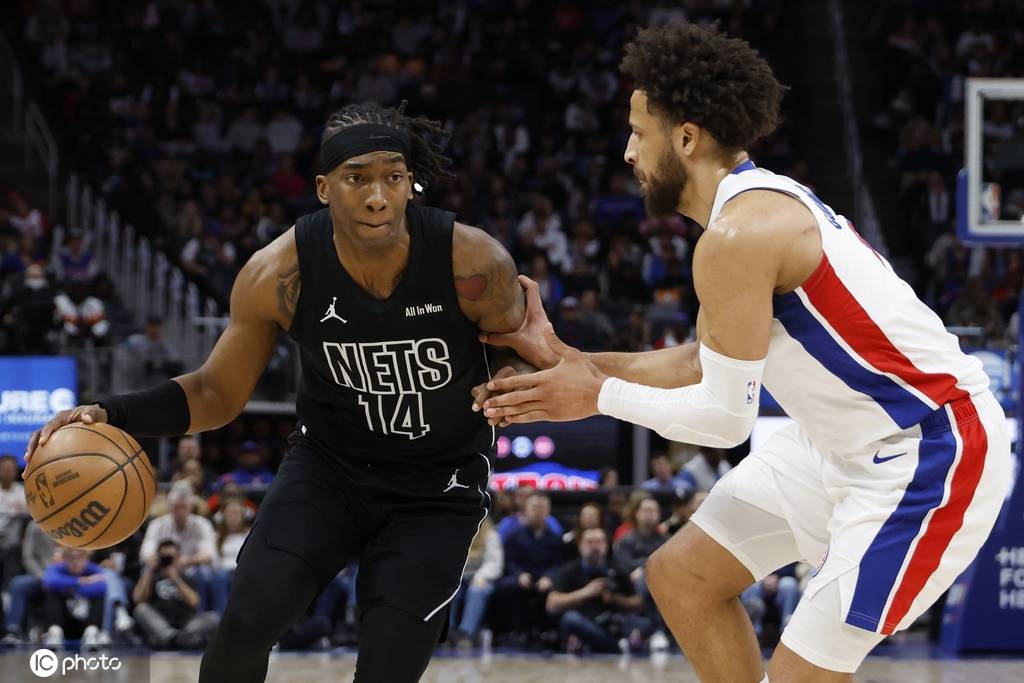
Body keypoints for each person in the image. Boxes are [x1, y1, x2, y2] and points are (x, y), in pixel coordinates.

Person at [477, 22, 1011, 682]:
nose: (627, 151)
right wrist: (572, 359)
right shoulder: (742, 214)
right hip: (836, 445)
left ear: (686, 138)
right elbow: (703, 362)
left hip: (931, 452)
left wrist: (597, 395)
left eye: (638, 132)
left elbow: (726, 420)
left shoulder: (740, 234)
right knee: (682, 577)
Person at [27, 101, 528, 683]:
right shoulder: (277, 274)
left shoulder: (474, 261)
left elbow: (523, 350)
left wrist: (510, 379)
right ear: (323, 188)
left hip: (439, 483)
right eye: (356, 178)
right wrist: (110, 413)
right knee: (246, 620)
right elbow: (215, 393)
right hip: (331, 469)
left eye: (393, 177)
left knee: (387, 667)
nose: (377, 197)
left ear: (410, 182)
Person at [546, 527, 646, 654]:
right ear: (580, 546)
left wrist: (615, 599)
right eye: (590, 542)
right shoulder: (570, 570)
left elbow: (638, 603)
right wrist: (585, 592)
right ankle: (618, 646)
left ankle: (614, 644)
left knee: (645, 622)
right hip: (585, 622)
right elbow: (551, 604)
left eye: (599, 542)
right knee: (570, 619)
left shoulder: (616, 569)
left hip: (613, 623)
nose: (595, 547)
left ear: (606, 545)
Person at [132, 540, 219, 649]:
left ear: (178, 558)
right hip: (161, 622)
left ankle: (173, 639)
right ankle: (176, 638)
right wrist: (148, 571)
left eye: (171, 558)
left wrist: (176, 579)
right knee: (140, 609)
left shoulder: (186, 577)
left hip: (186, 623)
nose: (168, 561)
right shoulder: (153, 577)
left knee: (213, 617)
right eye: (164, 558)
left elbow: (194, 602)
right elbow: (138, 599)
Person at [448, 516, 503, 647]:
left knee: (476, 591)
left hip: (482, 578)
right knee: (449, 591)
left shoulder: (491, 535)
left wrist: (481, 576)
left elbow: (495, 563)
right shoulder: (455, 533)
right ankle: (447, 633)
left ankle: (466, 633)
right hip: (459, 578)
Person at [40, 549, 107, 649]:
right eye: (71, 558)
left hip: (85, 622)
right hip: (63, 622)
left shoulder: (93, 569)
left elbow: (102, 586)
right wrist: (81, 581)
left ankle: (92, 634)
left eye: (80, 557)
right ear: (64, 559)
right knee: (52, 594)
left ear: (86, 559)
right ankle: (54, 633)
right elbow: (49, 581)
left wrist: (68, 589)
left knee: (99, 596)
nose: (75, 562)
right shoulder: (57, 568)